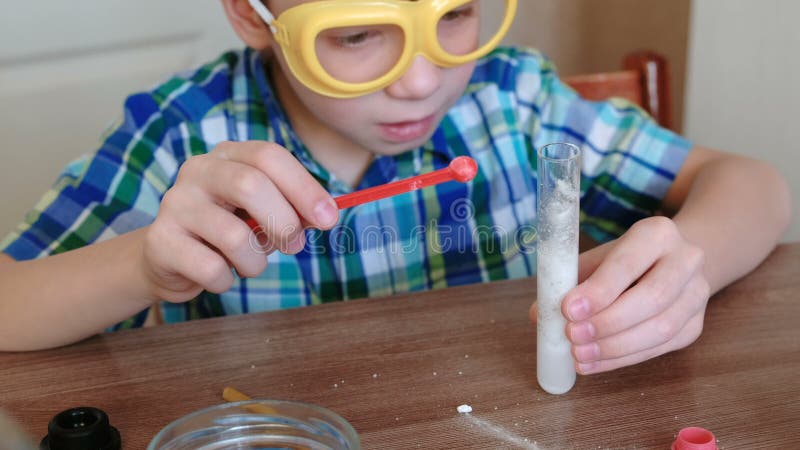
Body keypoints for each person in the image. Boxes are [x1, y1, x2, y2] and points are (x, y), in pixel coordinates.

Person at [0, 0, 790, 377]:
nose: (421, 81)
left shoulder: (515, 100)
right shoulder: (185, 135)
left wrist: (691, 260)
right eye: (353, 35)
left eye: (456, 15)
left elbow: (751, 184)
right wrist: (143, 267)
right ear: (251, 15)